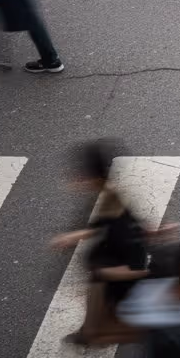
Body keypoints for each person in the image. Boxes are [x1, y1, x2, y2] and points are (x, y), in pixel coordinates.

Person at [51, 140, 157, 345]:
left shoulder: (118, 219)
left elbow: (137, 267)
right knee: (98, 314)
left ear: (94, 178)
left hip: (116, 275)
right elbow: (101, 226)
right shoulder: (108, 195)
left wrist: (103, 273)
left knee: (101, 330)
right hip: (107, 264)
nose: (75, 179)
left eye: (81, 176)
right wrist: (73, 237)